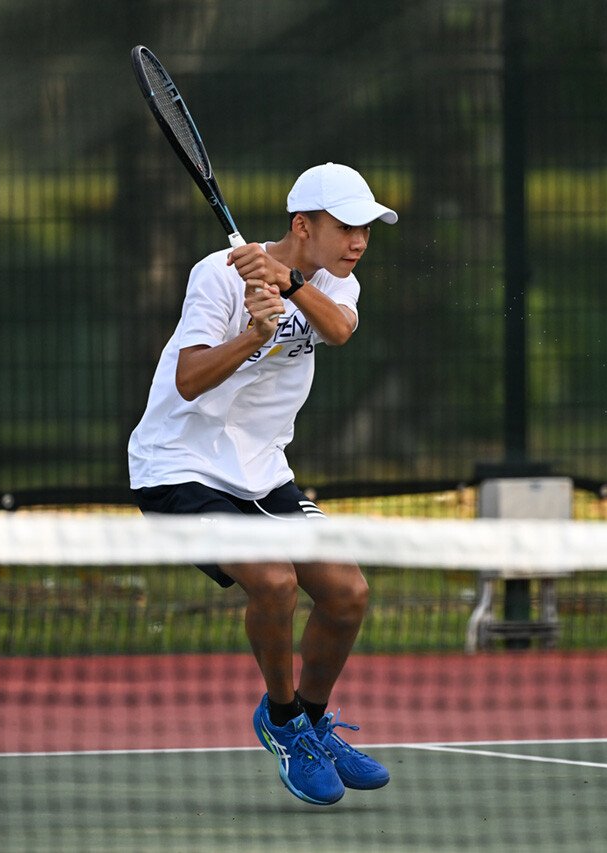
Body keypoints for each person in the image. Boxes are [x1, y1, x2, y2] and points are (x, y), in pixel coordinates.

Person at [128, 162, 397, 806]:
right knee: (274, 581)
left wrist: (291, 282)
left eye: (366, 228)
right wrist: (254, 335)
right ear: (303, 225)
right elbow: (188, 380)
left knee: (348, 593)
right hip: (178, 467)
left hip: (264, 471)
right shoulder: (218, 274)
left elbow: (339, 330)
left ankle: (312, 718)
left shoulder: (336, 281)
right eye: (347, 226)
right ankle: (282, 722)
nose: (359, 240)